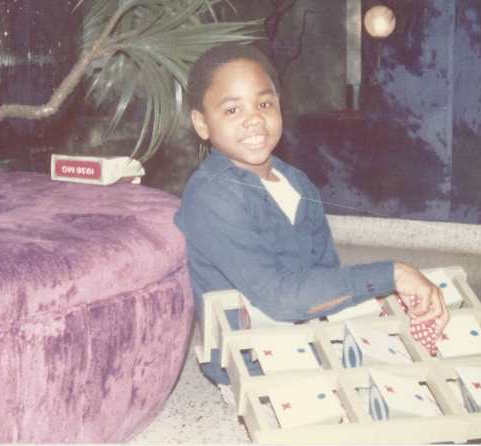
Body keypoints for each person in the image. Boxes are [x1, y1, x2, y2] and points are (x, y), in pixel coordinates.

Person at [174, 44, 449, 385]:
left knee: (436, 354)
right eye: (232, 110)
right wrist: (390, 274)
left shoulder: (297, 182)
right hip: (251, 360)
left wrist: (378, 296)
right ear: (202, 123)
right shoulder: (211, 195)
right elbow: (279, 297)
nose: (254, 118)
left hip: (313, 336)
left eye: (264, 104)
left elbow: (325, 273)